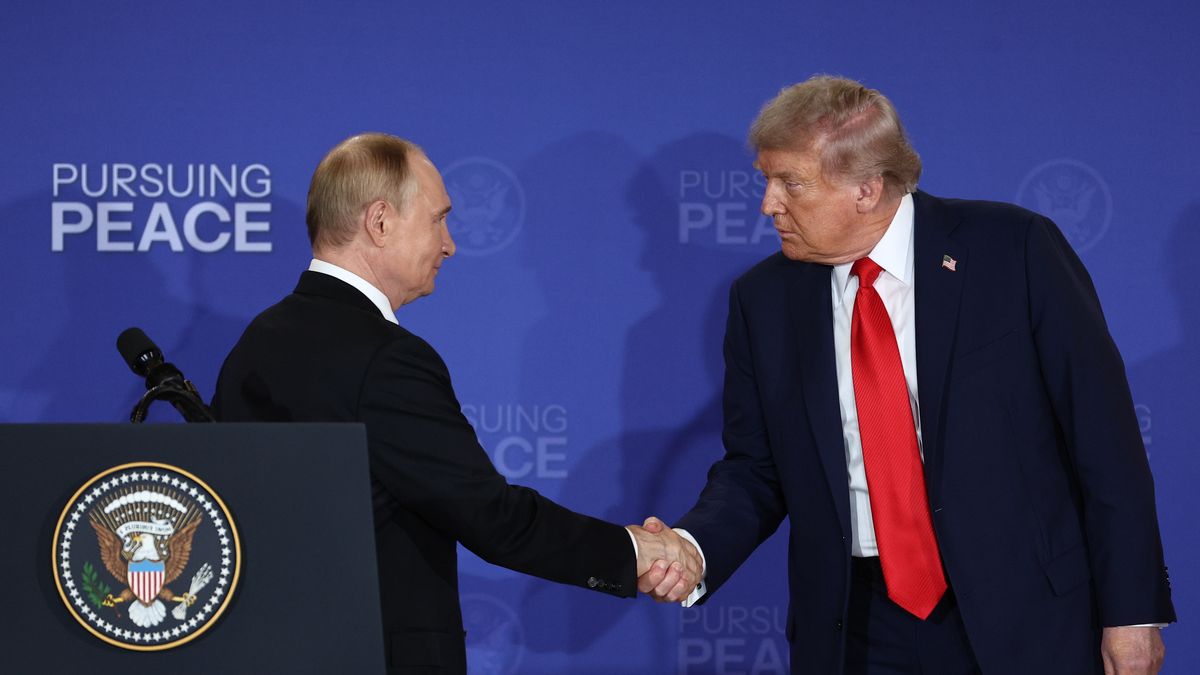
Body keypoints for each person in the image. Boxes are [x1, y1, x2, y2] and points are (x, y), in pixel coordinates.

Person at [637, 76, 1175, 674]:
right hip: (854, 629)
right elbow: (755, 470)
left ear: (867, 189)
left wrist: (1132, 612)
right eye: (766, 180)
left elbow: (1105, 442)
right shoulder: (763, 301)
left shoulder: (1013, 251)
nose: (768, 204)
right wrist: (693, 547)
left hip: (1023, 618)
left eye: (790, 183)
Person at [211, 133, 701, 674]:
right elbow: (490, 516)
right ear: (379, 223)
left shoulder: (254, 345)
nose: (450, 244)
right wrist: (631, 553)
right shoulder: (387, 360)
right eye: (437, 219)